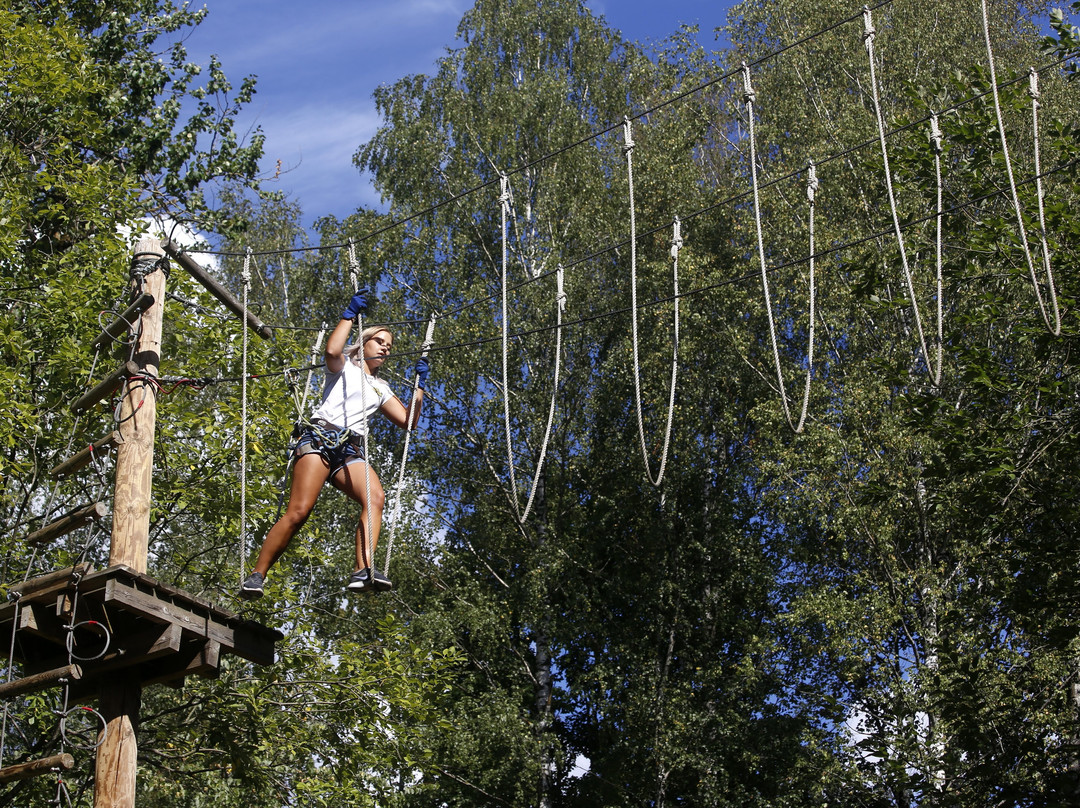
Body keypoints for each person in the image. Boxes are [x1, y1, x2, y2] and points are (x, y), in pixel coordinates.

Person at [239, 288, 428, 599]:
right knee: (300, 510)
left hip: (348, 450)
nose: (385, 349)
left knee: (376, 498)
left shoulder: (381, 388)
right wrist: (348, 315)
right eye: (379, 341)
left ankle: (363, 569)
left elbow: (409, 421)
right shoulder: (343, 369)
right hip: (320, 439)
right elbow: (331, 350)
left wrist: (419, 388)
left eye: (389, 346)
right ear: (364, 342)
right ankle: (258, 574)